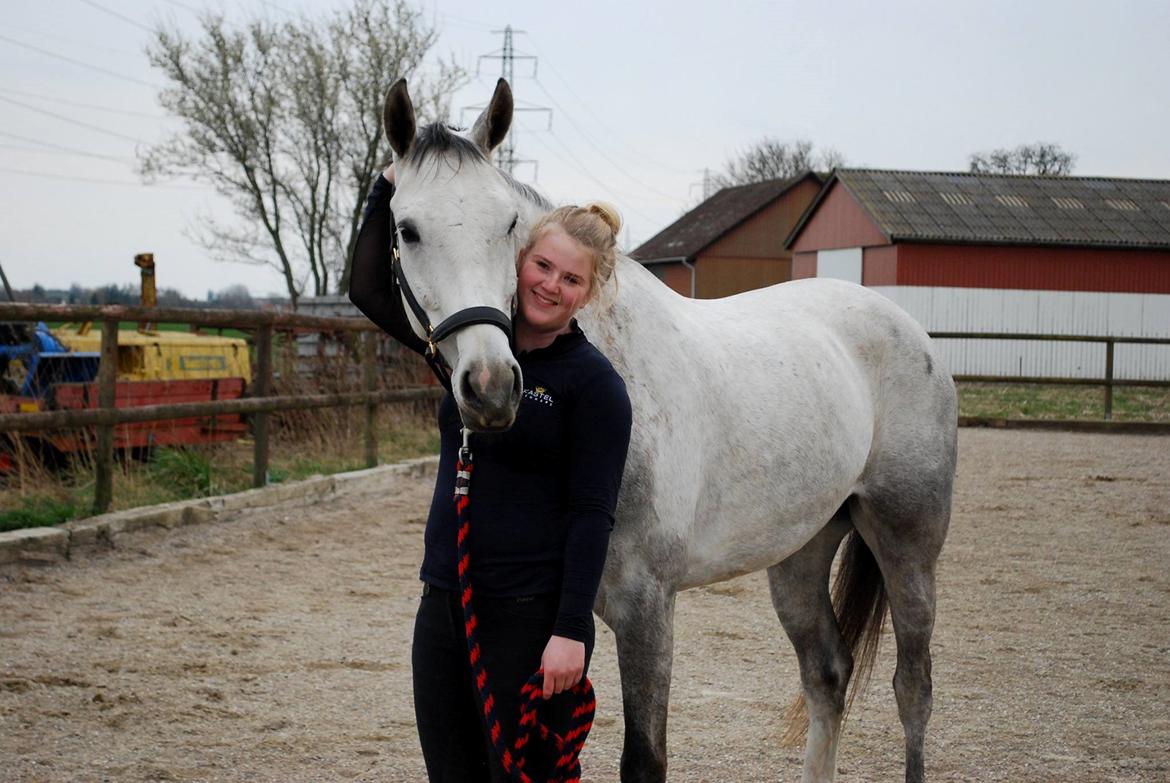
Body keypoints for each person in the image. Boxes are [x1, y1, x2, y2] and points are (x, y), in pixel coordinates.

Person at [349, 164, 632, 783]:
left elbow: (592, 516)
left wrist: (570, 632)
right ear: (517, 259)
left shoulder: (595, 387)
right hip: (444, 605)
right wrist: (384, 189)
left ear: (589, 292)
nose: (551, 285)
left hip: (527, 619)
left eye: (572, 279)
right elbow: (368, 290)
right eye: (543, 266)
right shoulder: (465, 354)